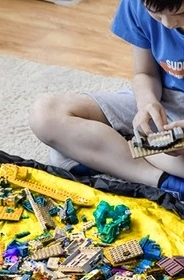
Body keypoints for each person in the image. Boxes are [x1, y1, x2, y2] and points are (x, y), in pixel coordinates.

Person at [29, 0, 184, 200]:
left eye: (181, 13)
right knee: (45, 114)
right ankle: (163, 181)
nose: (167, 24)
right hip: (163, 98)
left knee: (66, 153)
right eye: (156, 14)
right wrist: (147, 103)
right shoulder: (137, 3)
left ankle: (112, 154)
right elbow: (145, 73)